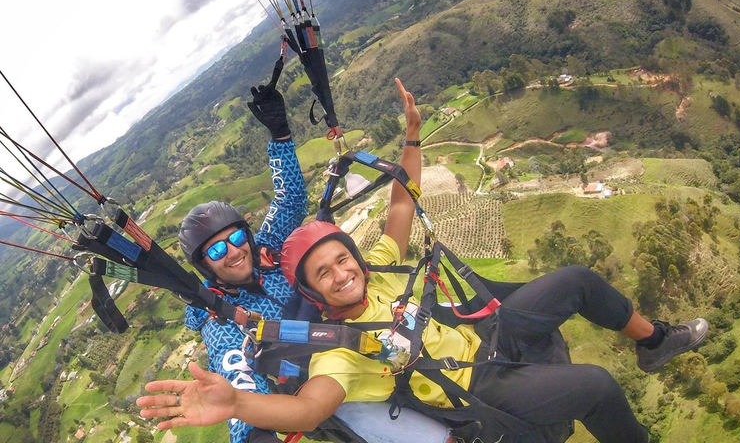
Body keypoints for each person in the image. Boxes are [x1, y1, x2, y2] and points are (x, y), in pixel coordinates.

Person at [138, 79, 709, 443]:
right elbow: (311, 409)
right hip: (474, 382)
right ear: (312, 292)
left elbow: (398, 210)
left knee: (577, 282)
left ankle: (654, 341)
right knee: (598, 387)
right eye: (325, 274)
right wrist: (238, 404)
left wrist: (412, 137)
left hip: (484, 329)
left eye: (343, 260)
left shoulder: (367, 262)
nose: (341, 273)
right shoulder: (334, 345)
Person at [175, 78, 452, 443]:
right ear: (204, 266)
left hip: (366, 330)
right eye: (215, 250)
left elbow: (289, 199)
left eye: (237, 237)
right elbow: (239, 379)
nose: (233, 251)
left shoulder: (268, 249)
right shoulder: (222, 320)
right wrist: (254, 436)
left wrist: (280, 136)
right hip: (328, 386)